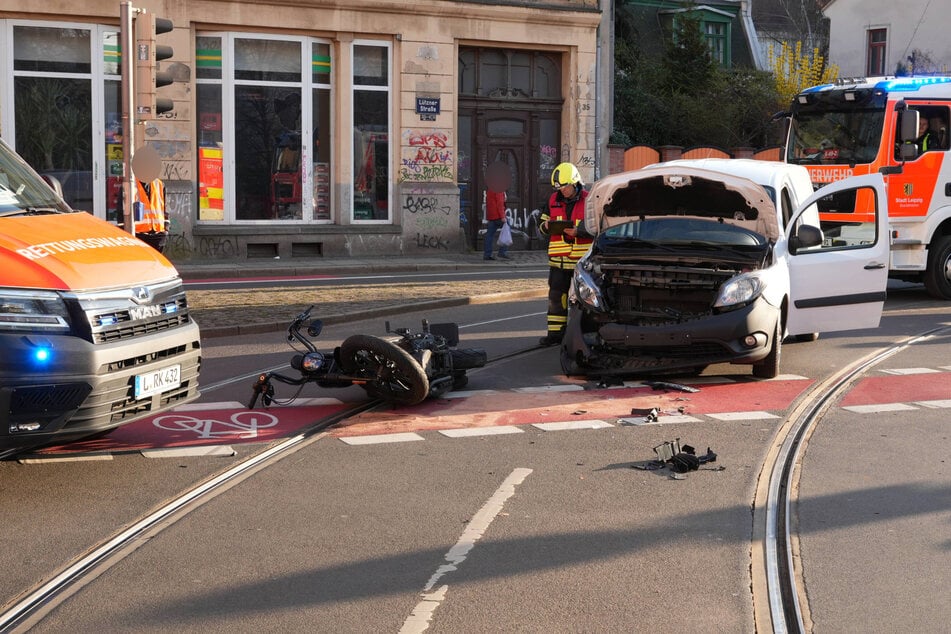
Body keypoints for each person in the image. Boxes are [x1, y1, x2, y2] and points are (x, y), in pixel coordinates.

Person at [537, 162, 590, 346]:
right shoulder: (552, 200)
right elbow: (541, 224)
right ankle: (555, 335)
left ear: (575, 182)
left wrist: (579, 231)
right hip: (558, 262)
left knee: (583, 300)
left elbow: (596, 227)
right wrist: (544, 227)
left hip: (581, 263)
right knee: (556, 299)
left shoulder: (589, 200)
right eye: (559, 188)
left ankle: (583, 334)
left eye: (565, 187)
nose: (563, 191)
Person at [134, 176, 169, 253]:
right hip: (139, 234)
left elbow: (165, 209)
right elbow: (122, 212)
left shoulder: (159, 184)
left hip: (158, 234)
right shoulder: (131, 184)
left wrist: (165, 229)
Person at [483, 187, 510, 260]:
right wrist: (503, 216)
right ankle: (502, 252)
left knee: (489, 235)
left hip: (491, 215)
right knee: (506, 230)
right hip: (498, 215)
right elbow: (499, 204)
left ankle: (487, 254)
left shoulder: (490, 189)